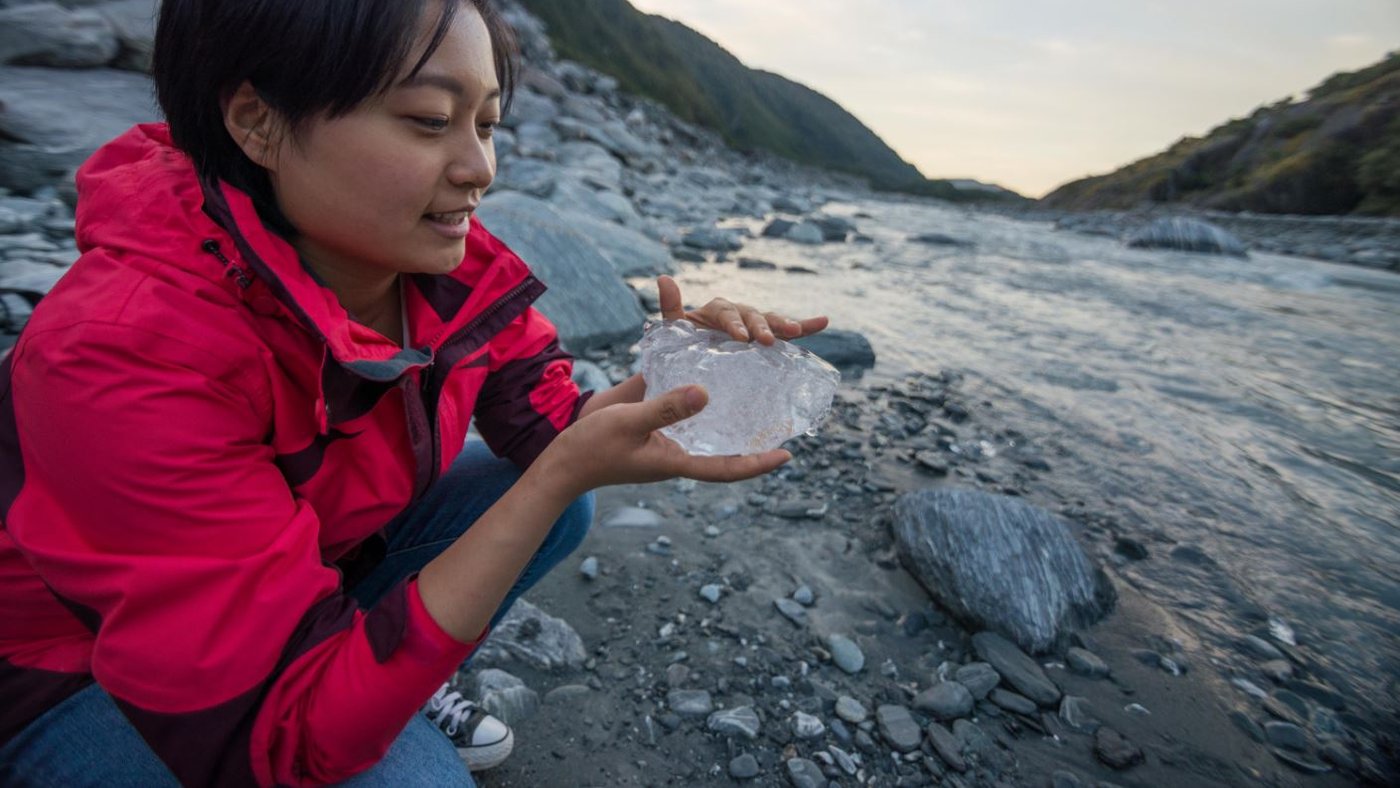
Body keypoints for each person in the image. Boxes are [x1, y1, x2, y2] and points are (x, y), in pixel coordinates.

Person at [0, 0, 828, 786]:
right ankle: (357, 674)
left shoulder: (438, 266)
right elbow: (272, 739)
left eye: (488, 123)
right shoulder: (122, 350)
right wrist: (554, 478)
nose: (480, 168)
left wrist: (686, 377)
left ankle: (374, 665)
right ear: (255, 121)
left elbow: (549, 424)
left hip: (298, 570)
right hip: (65, 667)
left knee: (552, 503)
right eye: (431, 121)